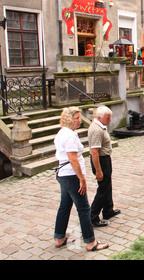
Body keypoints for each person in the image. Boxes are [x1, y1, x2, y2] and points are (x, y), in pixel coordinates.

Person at [54, 107, 109, 252]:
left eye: (79, 117)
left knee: (64, 206)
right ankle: (91, 242)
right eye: (77, 118)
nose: (79, 120)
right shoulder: (70, 136)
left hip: (63, 175)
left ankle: (59, 237)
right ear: (69, 119)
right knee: (84, 208)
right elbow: (73, 160)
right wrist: (82, 179)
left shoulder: (62, 133)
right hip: (71, 176)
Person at [89, 105, 120, 228]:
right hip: (100, 161)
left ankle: (108, 210)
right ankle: (93, 216)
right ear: (100, 117)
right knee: (103, 189)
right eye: (108, 118)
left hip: (105, 159)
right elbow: (94, 152)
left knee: (107, 186)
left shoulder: (101, 126)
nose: (110, 120)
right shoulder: (96, 130)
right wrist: (98, 171)